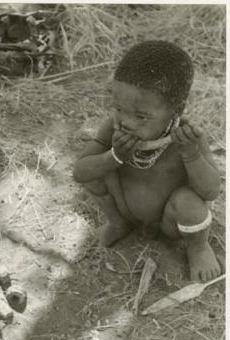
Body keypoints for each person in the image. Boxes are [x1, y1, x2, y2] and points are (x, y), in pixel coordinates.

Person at [73, 40, 221, 282]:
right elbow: (80, 172)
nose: (126, 122)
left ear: (177, 110)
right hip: (125, 210)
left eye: (141, 116)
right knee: (96, 169)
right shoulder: (113, 128)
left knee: (190, 202)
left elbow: (211, 191)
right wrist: (113, 157)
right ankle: (119, 225)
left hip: (169, 222)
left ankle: (198, 248)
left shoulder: (186, 138)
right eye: (119, 108)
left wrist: (191, 155)